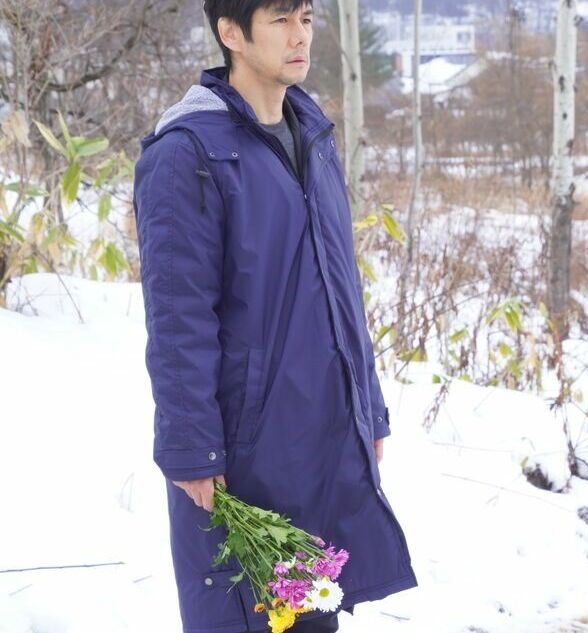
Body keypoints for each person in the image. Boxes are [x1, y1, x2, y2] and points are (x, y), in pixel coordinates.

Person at [132, 1, 417, 631]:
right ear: (231, 33)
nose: (300, 36)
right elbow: (178, 319)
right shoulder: (187, 153)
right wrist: (192, 448)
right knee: (244, 616)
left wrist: (367, 406)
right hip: (245, 445)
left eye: (307, 19)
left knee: (313, 614)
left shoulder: (311, 133)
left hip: (321, 430)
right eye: (281, 20)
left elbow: (341, 288)